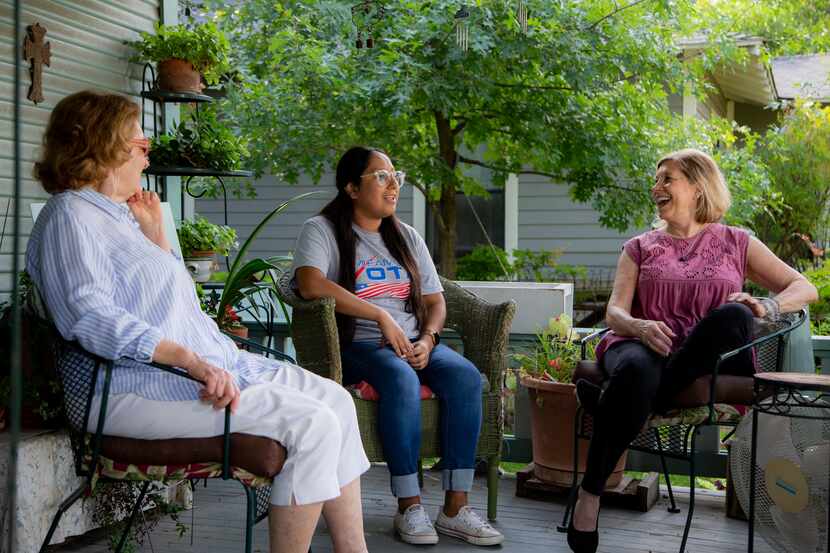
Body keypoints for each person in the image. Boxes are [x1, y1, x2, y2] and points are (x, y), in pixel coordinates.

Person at [26, 90, 371, 553]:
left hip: (186, 371)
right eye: (143, 147)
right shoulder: (70, 216)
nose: (148, 160)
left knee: (337, 402)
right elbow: (88, 316)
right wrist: (191, 361)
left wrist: (158, 240)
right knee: (312, 424)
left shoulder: (122, 218)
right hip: (129, 388)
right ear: (106, 147)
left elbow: (175, 308)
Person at [566, 148, 818, 553]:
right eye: (656, 179)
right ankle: (591, 494)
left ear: (698, 185)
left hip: (702, 353)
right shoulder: (640, 247)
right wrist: (639, 325)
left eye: (667, 178)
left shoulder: (737, 242)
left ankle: (612, 409)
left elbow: (806, 287)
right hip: (642, 344)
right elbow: (614, 311)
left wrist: (768, 306)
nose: (656, 187)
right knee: (637, 371)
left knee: (735, 315)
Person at [290, 146, 504, 546]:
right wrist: (380, 316)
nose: (394, 187)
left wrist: (429, 338)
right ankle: (409, 505)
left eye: (395, 177)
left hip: (412, 342)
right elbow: (309, 283)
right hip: (359, 346)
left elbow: (436, 302)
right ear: (352, 188)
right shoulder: (321, 229)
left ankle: (455, 507)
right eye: (381, 177)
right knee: (401, 379)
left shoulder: (406, 236)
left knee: (465, 377)